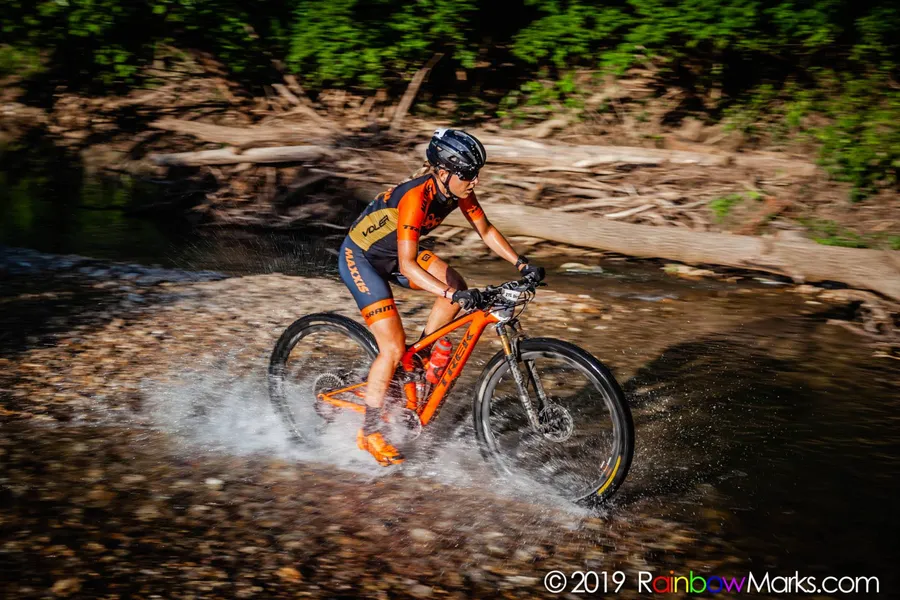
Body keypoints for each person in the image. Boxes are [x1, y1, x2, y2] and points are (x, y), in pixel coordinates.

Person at [338, 129, 545, 466]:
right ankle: (370, 432)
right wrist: (451, 294)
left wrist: (521, 263)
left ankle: (416, 363)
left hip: (393, 255)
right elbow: (408, 264)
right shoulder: (415, 198)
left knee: (455, 284)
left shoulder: (457, 190)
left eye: (477, 173)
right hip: (361, 259)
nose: (475, 181)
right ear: (444, 172)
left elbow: (485, 230)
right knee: (393, 346)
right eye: (468, 174)